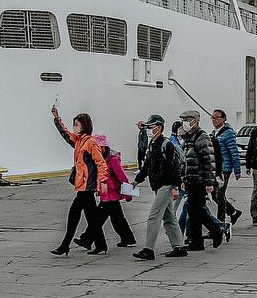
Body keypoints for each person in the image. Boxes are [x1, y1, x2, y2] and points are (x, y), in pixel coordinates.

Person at [50, 105, 108, 255]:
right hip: (82, 185)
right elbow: (64, 133)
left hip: (86, 187)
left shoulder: (90, 142)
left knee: (74, 213)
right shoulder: (79, 141)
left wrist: (102, 182)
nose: (74, 127)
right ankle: (101, 244)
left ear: (84, 125)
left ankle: (65, 245)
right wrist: (57, 118)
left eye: (76, 124)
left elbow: (100, 162)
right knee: (92, 217)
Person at [132, 115, 187, 260]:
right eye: (148, 127)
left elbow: (174, 167)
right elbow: (147, 166)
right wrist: (136, 181)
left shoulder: (167, 144)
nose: (149, 129)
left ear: (160, 127)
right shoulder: (152, 144)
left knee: (153, 216)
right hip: (158, 185)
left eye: (151, 127)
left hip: (166, 184)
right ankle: (179, 247)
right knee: (169, 217)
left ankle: (148, 249)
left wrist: (175, 186)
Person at [178, 110, 224, 250]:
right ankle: (197, 241)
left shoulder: (201, 136)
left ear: (195, 121)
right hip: (190, 179)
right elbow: (185, 161)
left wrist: (209, 182)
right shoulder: (188, 137)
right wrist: (183, 178)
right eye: (183, 120)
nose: (184, 123)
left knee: (196, 210)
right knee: (194, 211)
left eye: (187, 120)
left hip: (199, 179)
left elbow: (208, 160)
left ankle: (216, 229)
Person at [94, 135, 137, 248]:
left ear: (104, 147)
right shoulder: (101, 160)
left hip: (111, 194)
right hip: (106, 194)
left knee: (97, 219)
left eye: (99, 147)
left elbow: (122, 177)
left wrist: (128, 192)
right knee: (117, 219)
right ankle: (128, 238)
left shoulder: (112, 160)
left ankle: (87, 238)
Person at [210, 109, 244, 226]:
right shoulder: (214, 133)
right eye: (213, 118)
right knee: (215, 195)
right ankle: (233, 212)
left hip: (225, 169)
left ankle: (221, 223)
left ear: (224, 119)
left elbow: (234, 152)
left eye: (217, 117)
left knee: (219, 196)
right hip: (215, 169)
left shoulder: (228, 133)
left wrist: (237, 170)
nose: (214, 120)